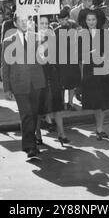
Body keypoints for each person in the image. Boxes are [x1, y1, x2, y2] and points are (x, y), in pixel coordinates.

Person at [2, 14, 46, 159]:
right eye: (20, 21)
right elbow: (5, 66)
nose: (23, 23)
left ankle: (31, 141)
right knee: (26, 114)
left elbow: (43, 59)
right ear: (15, 23)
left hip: (36, 82)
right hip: (19, 83)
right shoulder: (8, 41)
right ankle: (30, 147)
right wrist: (7, 88)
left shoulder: (36, 37)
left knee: (33, 114)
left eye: (25, 21)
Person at [79, 10, 109, 141]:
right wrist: (89, 53)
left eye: (93, 20)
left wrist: (103, 56)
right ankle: (99, 128)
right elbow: (78, 56)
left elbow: (108, 52)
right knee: (96, 102)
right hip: (89, 71)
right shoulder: (81, 34)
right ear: (85, 21)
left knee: (103, 103)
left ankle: (100, 128)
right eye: (89, 20)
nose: (91, 22)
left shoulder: (103, 34)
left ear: (97, 20)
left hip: (102, 70)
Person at [35, 15, 70, 146]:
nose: (44, 25)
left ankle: (62, 134)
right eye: (41, 23)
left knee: (57, 106)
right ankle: (37, 134)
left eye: (46, 23)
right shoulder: (34, 39)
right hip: (40, 76)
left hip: (54, 75)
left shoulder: (53, 38)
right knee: (39, 108)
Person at [52, 9, 81, 111]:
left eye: (65, 19)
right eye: (61, 20)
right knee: (62, 84)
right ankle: (62, 103)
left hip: (72, 59)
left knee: (72, 83)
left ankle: (70, 103)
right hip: (61, 61)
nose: (64, 21)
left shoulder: (73, 30)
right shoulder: (55, 32)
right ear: (58, 20)